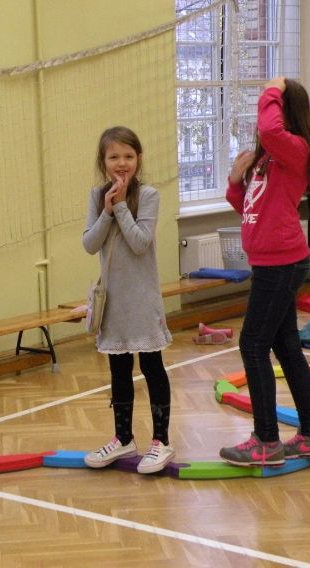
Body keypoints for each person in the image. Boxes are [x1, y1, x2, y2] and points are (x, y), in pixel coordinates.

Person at [220, 77, 310, 466]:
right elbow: (252, 211)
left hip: (282, 263)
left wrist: (274, 86)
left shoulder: (296, 149)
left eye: (272, 107)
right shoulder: (268, 159)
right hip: (271, 262)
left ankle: (266, 441)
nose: (265, 115)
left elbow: (270, 129)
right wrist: (234, 182)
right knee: (285, 347)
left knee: (252, 345)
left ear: (286, 114)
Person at [81, 126, 176, 475]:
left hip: (142, 299)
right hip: (114, 301)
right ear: (103, 161)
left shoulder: (148, 195)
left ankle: (161, 441)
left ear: (139, 159)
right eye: (113, 157)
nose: (121, 163)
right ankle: (123, 438)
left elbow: (140, 243)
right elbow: (89, 244)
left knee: (152, 367)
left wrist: (120, 207)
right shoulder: (97, 196)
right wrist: (106, 210)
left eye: (128, 156)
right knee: (119, 370)